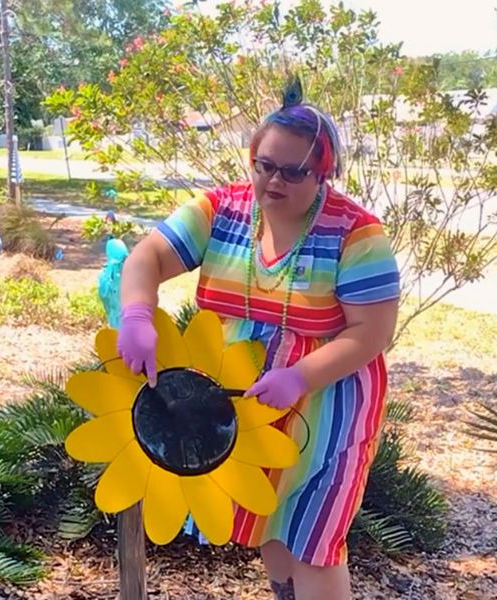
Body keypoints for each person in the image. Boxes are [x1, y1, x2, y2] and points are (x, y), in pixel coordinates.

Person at [116, 82, 400, 600]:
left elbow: (372, 332)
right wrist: (137, 312)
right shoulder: (222, 209)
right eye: (264, 165)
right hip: (244, 396)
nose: (274, 180)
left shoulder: (357, 235)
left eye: (294, 172)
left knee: (314, 538)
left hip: (329, 404)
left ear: (324, 173)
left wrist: (301, 376)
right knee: (271, 519)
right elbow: (147, 257)